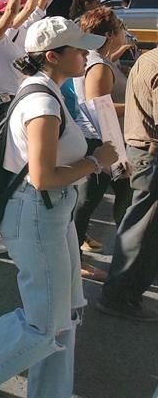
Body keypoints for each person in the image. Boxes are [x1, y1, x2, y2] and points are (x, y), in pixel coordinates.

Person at [0, 16, 116, 398]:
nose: (85, 53)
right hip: (37, 212)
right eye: (78, 48)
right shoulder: (44, 103)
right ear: (52, 55)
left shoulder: (46, 92)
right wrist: (97, 161)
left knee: (64, 318)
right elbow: (42, 176)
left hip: (51, 211)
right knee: (45, 323)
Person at [97, 42, 158, 322]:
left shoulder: (149, 59)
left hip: (142, 151)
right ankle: (119, 296)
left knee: (141, 229)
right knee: (141, 231)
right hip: (149, 154)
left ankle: (125, 294)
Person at [72, 7, 133, 278]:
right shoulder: (97, 64)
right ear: (109, 34)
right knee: (86, 204)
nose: (124, 31)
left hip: (109, 143)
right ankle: (75, 261)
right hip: (100, 143)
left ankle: (132, 254)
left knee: (126, 198)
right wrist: (138, 105)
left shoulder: (100, 59)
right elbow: (99, 109)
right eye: (120, 27)